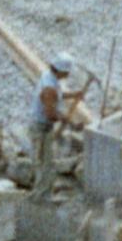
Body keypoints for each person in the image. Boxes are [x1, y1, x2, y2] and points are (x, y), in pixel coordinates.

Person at [29, 56, 82, 186]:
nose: (68, 74)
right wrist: (68, 120)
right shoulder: (49, 88)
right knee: (45, 166)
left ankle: (41, 195)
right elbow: (50, 114)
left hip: (42, 125)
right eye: (67, 71)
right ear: (60, 70)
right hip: (41, 128)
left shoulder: (49, 77)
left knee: (45, 162)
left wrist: (73, 95)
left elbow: (57, 95)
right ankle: (40, 199)